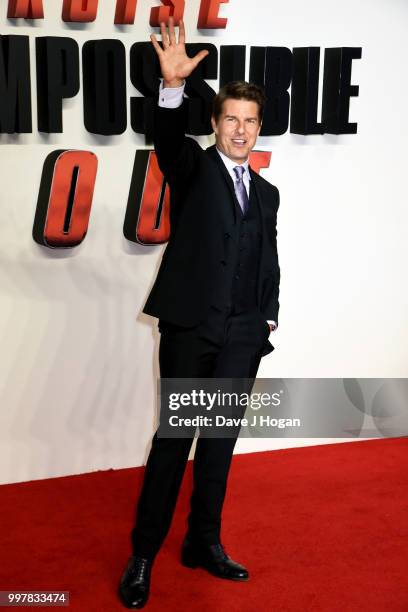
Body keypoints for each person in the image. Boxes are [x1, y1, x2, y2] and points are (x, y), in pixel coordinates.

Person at [119, 18, 280, 609]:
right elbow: (166, 140)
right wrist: (169, 89)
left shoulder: (266, 193)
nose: (240, 130)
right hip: (191, 330)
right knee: (174, 441)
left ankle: (203, 544)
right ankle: (142, 554)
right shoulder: (193, 171)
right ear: (214, 124)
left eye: (249, 121)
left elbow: (267, 259)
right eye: (230, 119)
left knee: (219, 445)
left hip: (242, 337)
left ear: (259, 129)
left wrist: (268, 318)